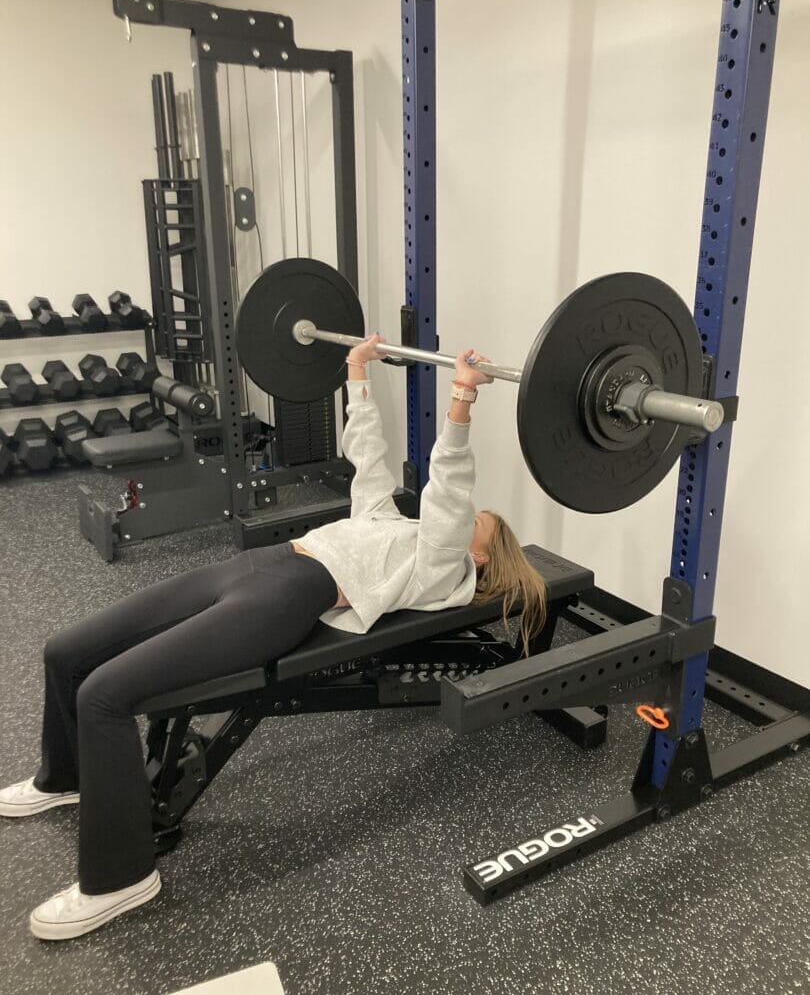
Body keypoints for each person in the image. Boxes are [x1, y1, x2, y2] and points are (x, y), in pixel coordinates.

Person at [0, 338, 547, 940]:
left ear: (477, 555)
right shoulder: (392, 522)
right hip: (251, 567)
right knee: (66, 651)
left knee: (104, 694)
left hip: (283, 599)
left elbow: (447, 490)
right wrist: (357, 371)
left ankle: (121, 878)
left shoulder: (441, 564)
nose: (463, 517)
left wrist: (462, 397)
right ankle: (66, 778)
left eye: (475, 523)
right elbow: (368, 460)